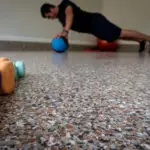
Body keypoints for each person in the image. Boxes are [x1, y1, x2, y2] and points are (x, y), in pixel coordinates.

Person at [40, 0, 150, 53]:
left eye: (48, 16)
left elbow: (70, 15)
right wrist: (63, 39)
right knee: (117, 36)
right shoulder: (60, 19)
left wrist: (65, 31)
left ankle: (148, 38)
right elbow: (67, 27)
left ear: (51, 9)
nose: (50, 19)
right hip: (93, 29)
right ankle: (141, 41)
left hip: (96, 21)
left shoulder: (65, 4)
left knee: (121, 32)